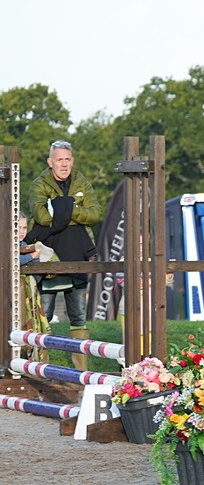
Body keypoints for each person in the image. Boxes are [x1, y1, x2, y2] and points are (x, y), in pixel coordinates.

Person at [28, 140, 102, 368]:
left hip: (78, 255)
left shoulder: (82, 182)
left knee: (78, 315)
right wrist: (75, 213)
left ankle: (81, 370)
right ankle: (39, 366)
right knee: (45, 314)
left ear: (73, 160)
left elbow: (94, 215)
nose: (64, 164)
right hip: (49, 257)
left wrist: (66, 208)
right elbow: (42, 217)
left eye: (67, 159)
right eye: (59, 159)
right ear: (50, 162)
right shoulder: (39, 183)